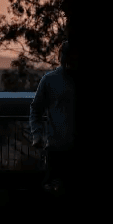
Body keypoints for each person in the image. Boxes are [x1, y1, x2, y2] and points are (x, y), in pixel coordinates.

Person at [29, 42, 77, 191]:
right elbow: (36, 109)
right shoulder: (49, 80)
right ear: (60, 56)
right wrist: (37, 135)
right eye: (65, 54)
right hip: (56, 150)